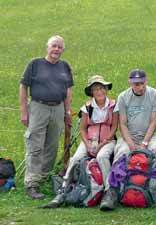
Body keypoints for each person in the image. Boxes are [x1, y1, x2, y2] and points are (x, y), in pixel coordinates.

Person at [43, 75, 118, 208]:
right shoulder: (87, 107)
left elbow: (114, 127)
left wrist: (103, 143)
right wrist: (88, 145)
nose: (100, 92)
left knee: (102, 157)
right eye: (96, 89)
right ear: (92, 92)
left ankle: (108, 192)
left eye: (102, 88)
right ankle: (63, 190)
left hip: (108, 141)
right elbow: (83, 129)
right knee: (75, 158)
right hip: (89, 140)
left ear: (106, 89)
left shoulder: (113, 105)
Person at [101, 69, 156, 211]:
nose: (140, 87)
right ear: (130, 83)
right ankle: (112, 191)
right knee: (121, 153)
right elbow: (122, 124)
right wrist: (131, 144)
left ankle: (155, 189)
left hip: (149, 136)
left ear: (146, 81)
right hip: (129, 136)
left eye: (142, 83)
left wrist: (144, 143)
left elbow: (154, 121)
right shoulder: (123, 97)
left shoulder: (154, 94)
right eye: (136, 84)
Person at [19, 35, 73, 199]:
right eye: (54, 46)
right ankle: (31, 184)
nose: (56, 49)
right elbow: (23, 86)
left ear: (63, 50)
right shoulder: (35, 64)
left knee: (51, 146)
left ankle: (44, 179)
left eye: (59, 47)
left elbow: (68, 90)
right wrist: (23, 111)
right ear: (47, 47)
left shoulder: (65, 66)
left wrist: (67, 112)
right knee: (35, 146)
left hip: (57, 109)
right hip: (38, 107)